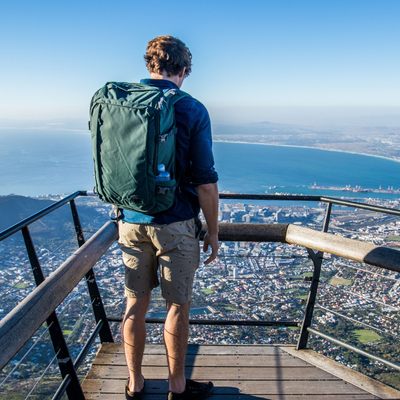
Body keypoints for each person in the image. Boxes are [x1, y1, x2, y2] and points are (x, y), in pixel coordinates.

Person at [118, 35, 219, 400]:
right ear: (185, 70)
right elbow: (206, 182)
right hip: (175, 223)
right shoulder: (191, 108)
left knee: (135, 303)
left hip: (129, 220)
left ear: (149, 65)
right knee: (177, 305)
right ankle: (177, 387)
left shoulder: (124, 104)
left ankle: (135, 383)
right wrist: (213, 232)